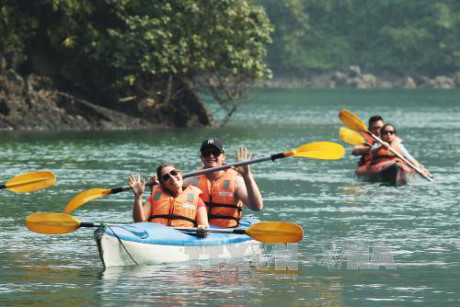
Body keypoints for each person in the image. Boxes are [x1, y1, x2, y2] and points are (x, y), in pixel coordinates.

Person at [183, 137, 263, 228]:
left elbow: (257, 207)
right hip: (198, 230)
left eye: (215, 152)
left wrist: (247, 175)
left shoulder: (236, 180)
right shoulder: (191, 180)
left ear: (223, 156)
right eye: (206, 153)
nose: (211, 156)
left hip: (226, 231)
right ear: (201, 157)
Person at [129, 164, 209, 236]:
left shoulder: (197, 200)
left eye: (174, 173)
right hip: (157, 236)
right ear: (162, 184)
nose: (172, 177)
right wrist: (138, 196)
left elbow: (205, 228)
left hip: (183, 237)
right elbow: (139, 222)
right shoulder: (154, 197)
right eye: (166, 177)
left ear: (180, 174)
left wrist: (202, 228)